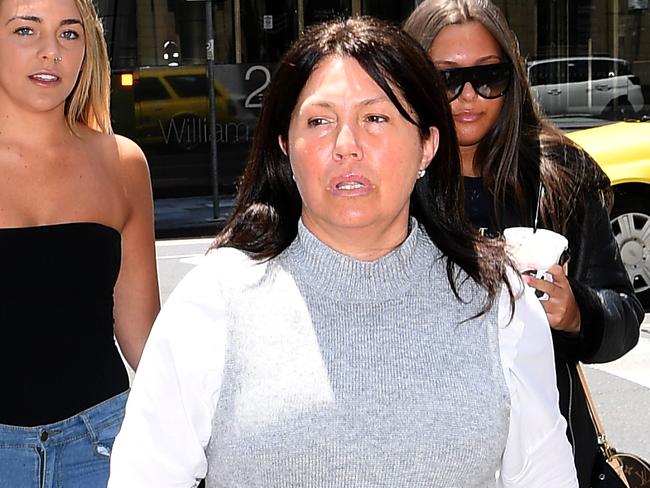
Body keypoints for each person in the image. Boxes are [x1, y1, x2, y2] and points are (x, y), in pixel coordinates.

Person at [108, 16, 577, 488]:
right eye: (319, 121)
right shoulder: (215, 300)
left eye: (376, 118)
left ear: (428, 146)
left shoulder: (497, 301)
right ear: (285, 147)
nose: (346, 146)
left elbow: (545, 474)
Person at [403, 2, 645, 486]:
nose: (468, 96)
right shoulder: (390, 180)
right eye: (446, 79)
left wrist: (577, 312)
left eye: (488, 76)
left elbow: (624, 315)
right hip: (422, 452)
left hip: (546, 455)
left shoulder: (557, 174)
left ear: (511, 78)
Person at [0, 0, 160, 486]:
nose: (51, 51)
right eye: (27, 30)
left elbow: (146, 343)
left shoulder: (122, 164)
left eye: (69, 34)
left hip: (105, 445)